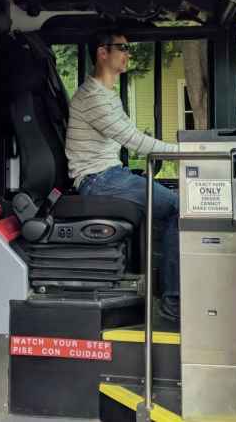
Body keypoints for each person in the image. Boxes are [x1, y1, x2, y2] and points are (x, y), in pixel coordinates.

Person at [65, 30, 181, 321]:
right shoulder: (93, 97)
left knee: (171, 204)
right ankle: (174, 303)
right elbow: (134, 140)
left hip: (110, 175)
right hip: (98, 180)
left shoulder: (108, 96)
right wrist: (186, 152)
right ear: (102, 53)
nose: (128, 53)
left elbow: (132, 137)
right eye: (122, 47)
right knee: (180, 207)